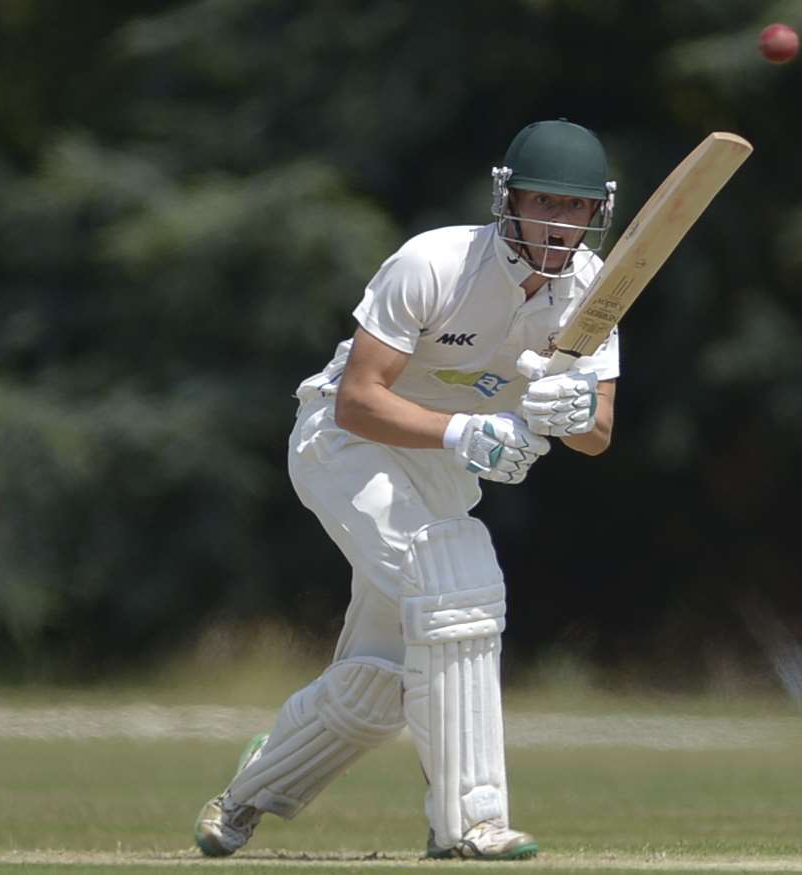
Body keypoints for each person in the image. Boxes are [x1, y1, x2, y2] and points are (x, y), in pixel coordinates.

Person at [193, 118, 621, 861]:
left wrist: (575, 412)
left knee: (384, 680)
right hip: (344, 444)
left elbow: (599, 432)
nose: (558, 223)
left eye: (575, 208)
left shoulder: (591, 291)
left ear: (597, 211)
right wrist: (466, 431)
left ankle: (248, 791)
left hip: (439, 469)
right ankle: (469, 822)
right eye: (543, 202)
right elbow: (359, 397)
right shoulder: (434, 263)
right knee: (456, 587)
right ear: (508, 199)